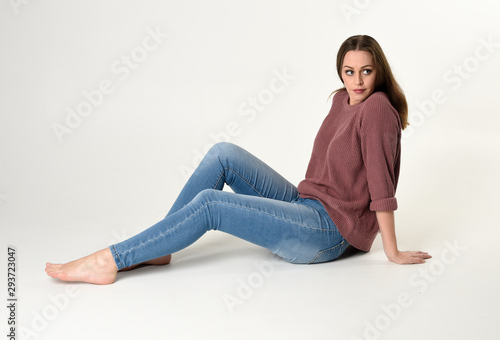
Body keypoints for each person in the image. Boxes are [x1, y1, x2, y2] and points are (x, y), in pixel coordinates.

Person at [45, 35, 431, 285]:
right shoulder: (339, 99)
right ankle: (160, 246)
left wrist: (392, 250)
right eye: (349, 71)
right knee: (223, 154)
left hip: (329, 231)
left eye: (366, 71)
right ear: (340, 72)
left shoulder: (378, 109)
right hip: (307, 203)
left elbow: (381, 186)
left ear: (379, 71)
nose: (357, 81)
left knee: (211, 205)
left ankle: (112, 260)